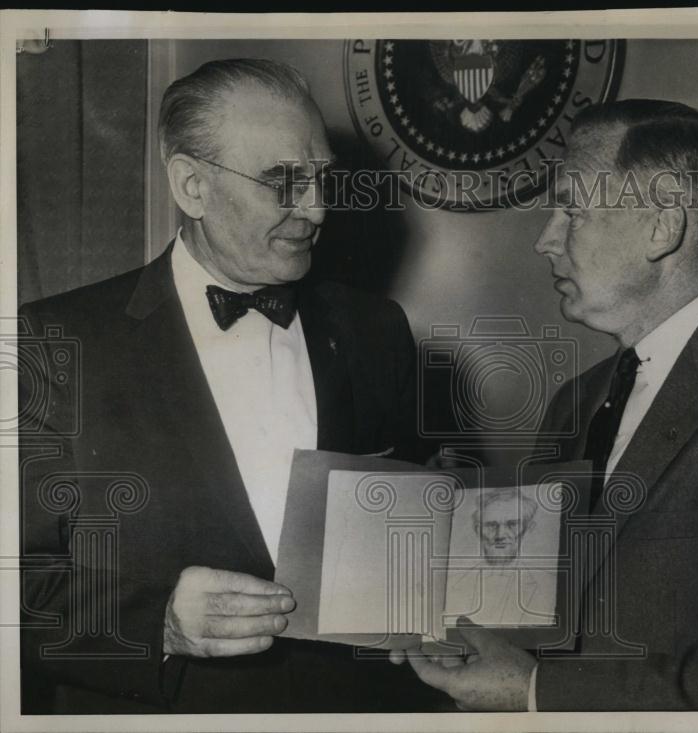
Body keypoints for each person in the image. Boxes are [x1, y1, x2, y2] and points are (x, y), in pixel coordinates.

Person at [19, 58, 443, 713]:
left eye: (322, 178)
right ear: (191, 185)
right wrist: (155, 623)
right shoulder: (54, 344)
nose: (317, 208)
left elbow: (406, 545)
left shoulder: (376, 330)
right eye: (285, 181)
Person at [394, 99, 698, 711]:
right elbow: (540, 613)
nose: (544, 240)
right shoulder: (577, 399)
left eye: (571, 210)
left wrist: (533, 691)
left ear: (663, 228)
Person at [444, 489, 554, 627]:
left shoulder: (548, 585)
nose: (500, 534)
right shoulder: (451, 585)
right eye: (491, 525)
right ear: (478, 530)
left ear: (528, 528)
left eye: (512, 524)